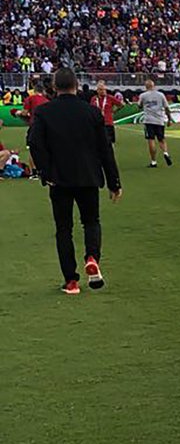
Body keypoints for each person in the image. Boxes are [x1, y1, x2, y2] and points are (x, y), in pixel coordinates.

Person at [28, 66, 122, 294]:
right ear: (76, 86)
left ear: (53, 87)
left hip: (59, 179)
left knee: (64, 229)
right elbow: (104, 150)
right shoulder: (91, 113)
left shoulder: (44, 112)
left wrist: (46, 173)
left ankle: (71, 281)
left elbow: (35, 144)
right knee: (91, 221)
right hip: (89, 176)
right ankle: (92, 256)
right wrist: (114, 182)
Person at [138, 78, 173, 167]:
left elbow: (139, 106)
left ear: (146, 87)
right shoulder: (161, 95)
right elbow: (167, 108)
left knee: (151, 139)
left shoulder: (143, 95)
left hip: (149, 120)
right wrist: (169, 119)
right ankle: (165, 153)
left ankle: (153, 161)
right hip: (159, 120)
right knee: (161, 139)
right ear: (154, 86)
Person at [90, 80, 120, 148]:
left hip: (108, 123)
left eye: (104, 89)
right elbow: (91, 109)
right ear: (97, 90)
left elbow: (121, 104)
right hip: (97, 124)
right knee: (97, 143)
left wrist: (114, 111)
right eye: (100, 89)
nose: (103, 91)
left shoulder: (110, 97)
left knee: (110, 144)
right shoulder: (94, 99)